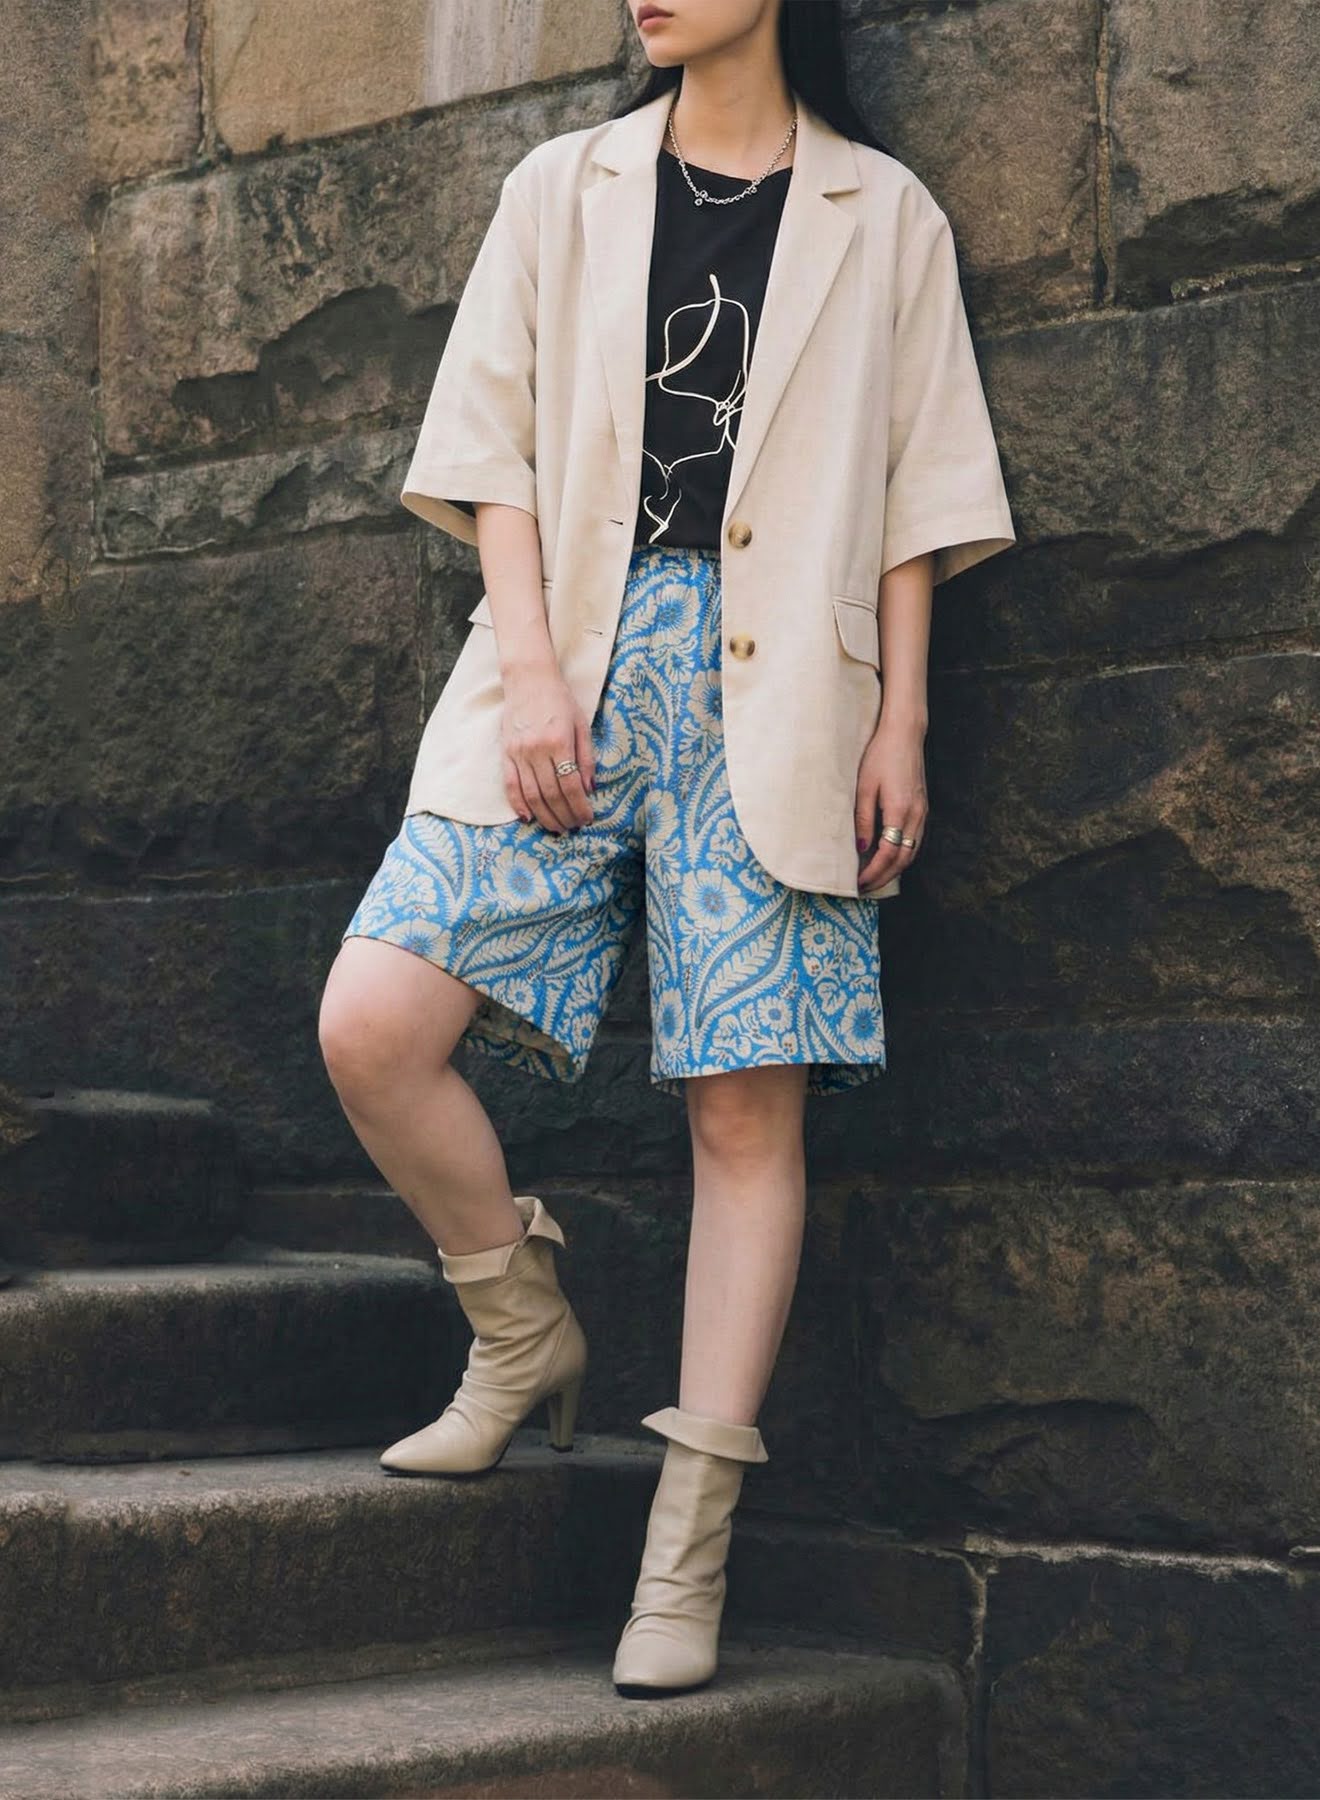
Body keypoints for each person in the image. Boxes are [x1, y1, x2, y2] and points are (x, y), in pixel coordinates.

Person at [317, 0, 1014, 1701]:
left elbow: (920, 498)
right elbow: (490, 454)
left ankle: (685, 1553)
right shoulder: (561, 186)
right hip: (564, 665)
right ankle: (519, 1327)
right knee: (374, 1023)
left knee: (743, 1113)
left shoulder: (885, 214)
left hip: (789, 699)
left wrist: (903, 719)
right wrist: (533, 671)